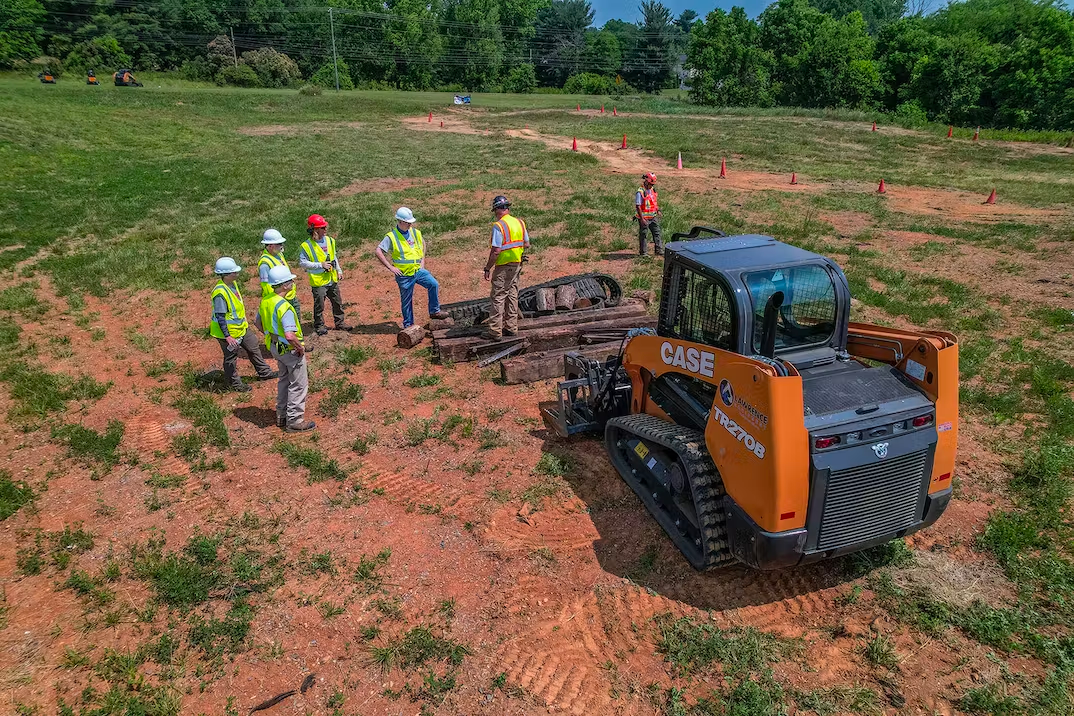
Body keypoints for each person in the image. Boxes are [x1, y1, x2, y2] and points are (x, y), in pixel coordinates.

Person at [259, 265, 315, 432]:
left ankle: (281, 415)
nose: (292, 283)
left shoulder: (266, 301)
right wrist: (300, 348)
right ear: (284, 285)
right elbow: (290, 335)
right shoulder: (284, 306)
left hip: (275, 347)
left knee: (284, 379)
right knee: (298, 383)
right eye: (290, 281)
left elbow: (258, 323)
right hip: (289, 348)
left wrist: (272, 334)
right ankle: (295, 421)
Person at [375, 207, 450, 329]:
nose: (410, 224)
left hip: (417, 270)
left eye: (411, 222)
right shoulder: (392, 236)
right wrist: (390, 267)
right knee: (407, 301)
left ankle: (434, 311)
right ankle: (409, 325)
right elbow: (378, 251)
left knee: (433, 284)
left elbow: (423, 243)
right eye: (408, 222)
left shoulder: (415, 232)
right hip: (404, 275)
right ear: (400, 221)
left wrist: (422, 260)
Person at [209, 257, 276, 392]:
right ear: (226, 274)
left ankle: (264, 372)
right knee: (231, 358)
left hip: (241, 328)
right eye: (234, 272)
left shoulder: (232, 284)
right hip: (228, 333)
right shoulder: (220, 293)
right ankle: (233, 383)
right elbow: (221, 317)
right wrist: (227, 337)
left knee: (253, 346)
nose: (237, 274)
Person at [481, 195, 529, 341]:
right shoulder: (520, 223)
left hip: (503, 266)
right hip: (516, 265)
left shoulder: (499, 226)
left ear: (497, 209)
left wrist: (488, 267)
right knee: (512, 295)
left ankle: (495, 331)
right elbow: (526, 244)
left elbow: (496, 250)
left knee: (498, 296)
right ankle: (511, 327)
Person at [299, 214, 348, 336]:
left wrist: (339, 270)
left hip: (331, 278)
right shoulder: (306, 246)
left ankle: (340, 323)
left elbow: (334, 257)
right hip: (319, 282)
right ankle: (319, 325)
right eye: (322, 228)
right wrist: (320, 265)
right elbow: (302, 263)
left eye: (325, 227)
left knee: (337, 301)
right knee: (319, 304)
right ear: (315, 230)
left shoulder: (330, 241)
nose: (325, 229)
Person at [258, 229, 299, 314]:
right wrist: (278, 301)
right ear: (270, 246)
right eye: (279, 244)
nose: (281, 246)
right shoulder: (265, 264)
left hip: (289, 296)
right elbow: (266, 287)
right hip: (281, 299)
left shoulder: (279, 254)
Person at [636, 172, 662, 256]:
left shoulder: (652, 190)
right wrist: (642, 218)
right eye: (650, 184)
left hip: (653, 216)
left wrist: (657, 210)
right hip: (644, 217)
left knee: (657, 233)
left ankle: (659, 250)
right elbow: (638, 206)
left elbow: (653, 202)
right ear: (646, 181)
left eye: (653, 184)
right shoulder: (640, 191)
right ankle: (643, 253)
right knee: (644, 235)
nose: (652, 185)